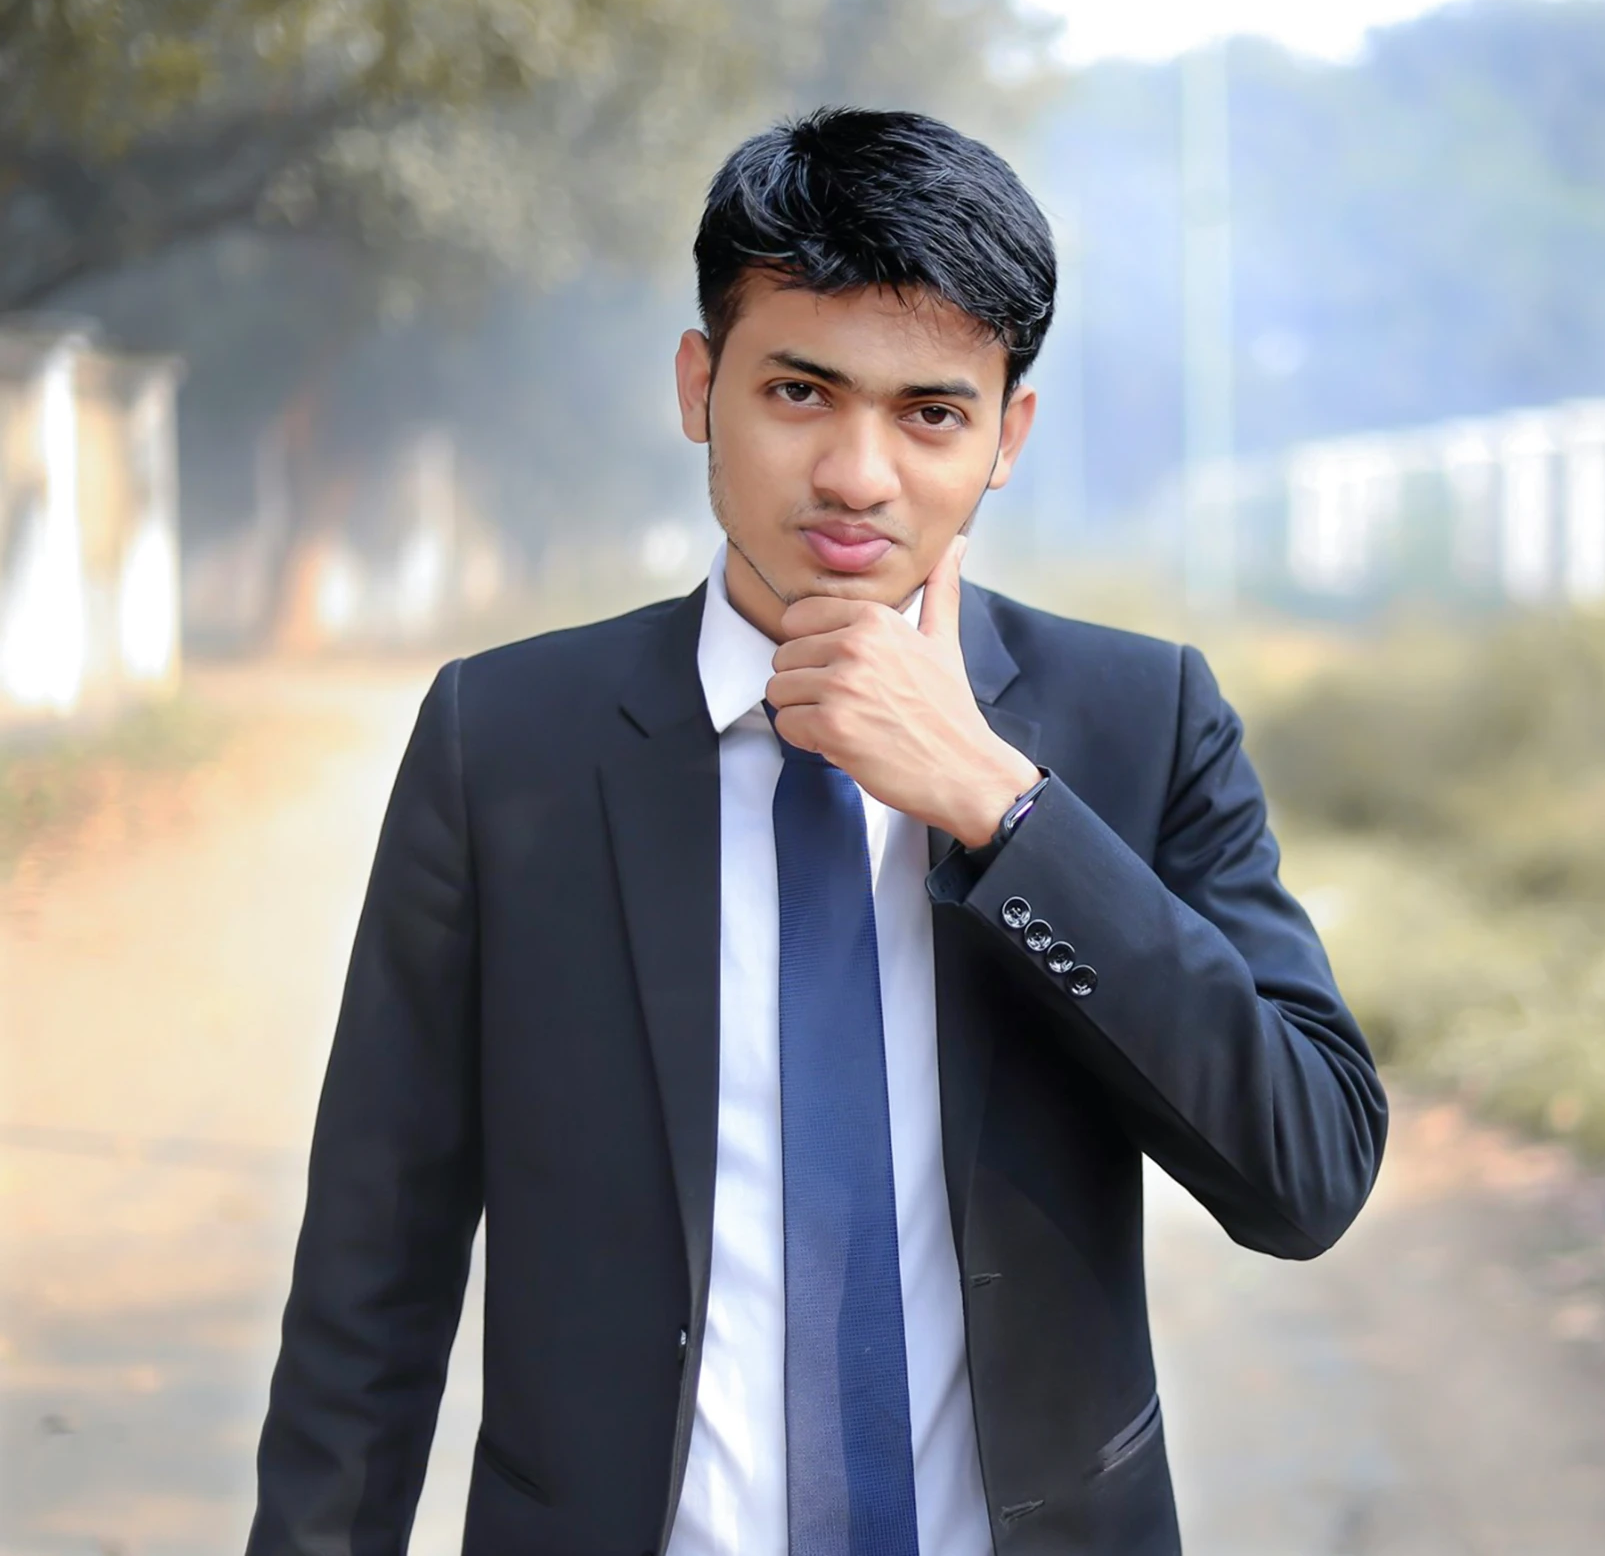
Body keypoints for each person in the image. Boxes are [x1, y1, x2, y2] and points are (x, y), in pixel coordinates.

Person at [245, 107, 1387, 1556]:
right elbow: (374, 1262)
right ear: (698, 383)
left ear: (1005, 435)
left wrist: (1000, 803)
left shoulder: (1138, 720)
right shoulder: (507, 741)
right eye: (799, 390)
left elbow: (1306, 1171)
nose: (858, 474)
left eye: (930, 412)